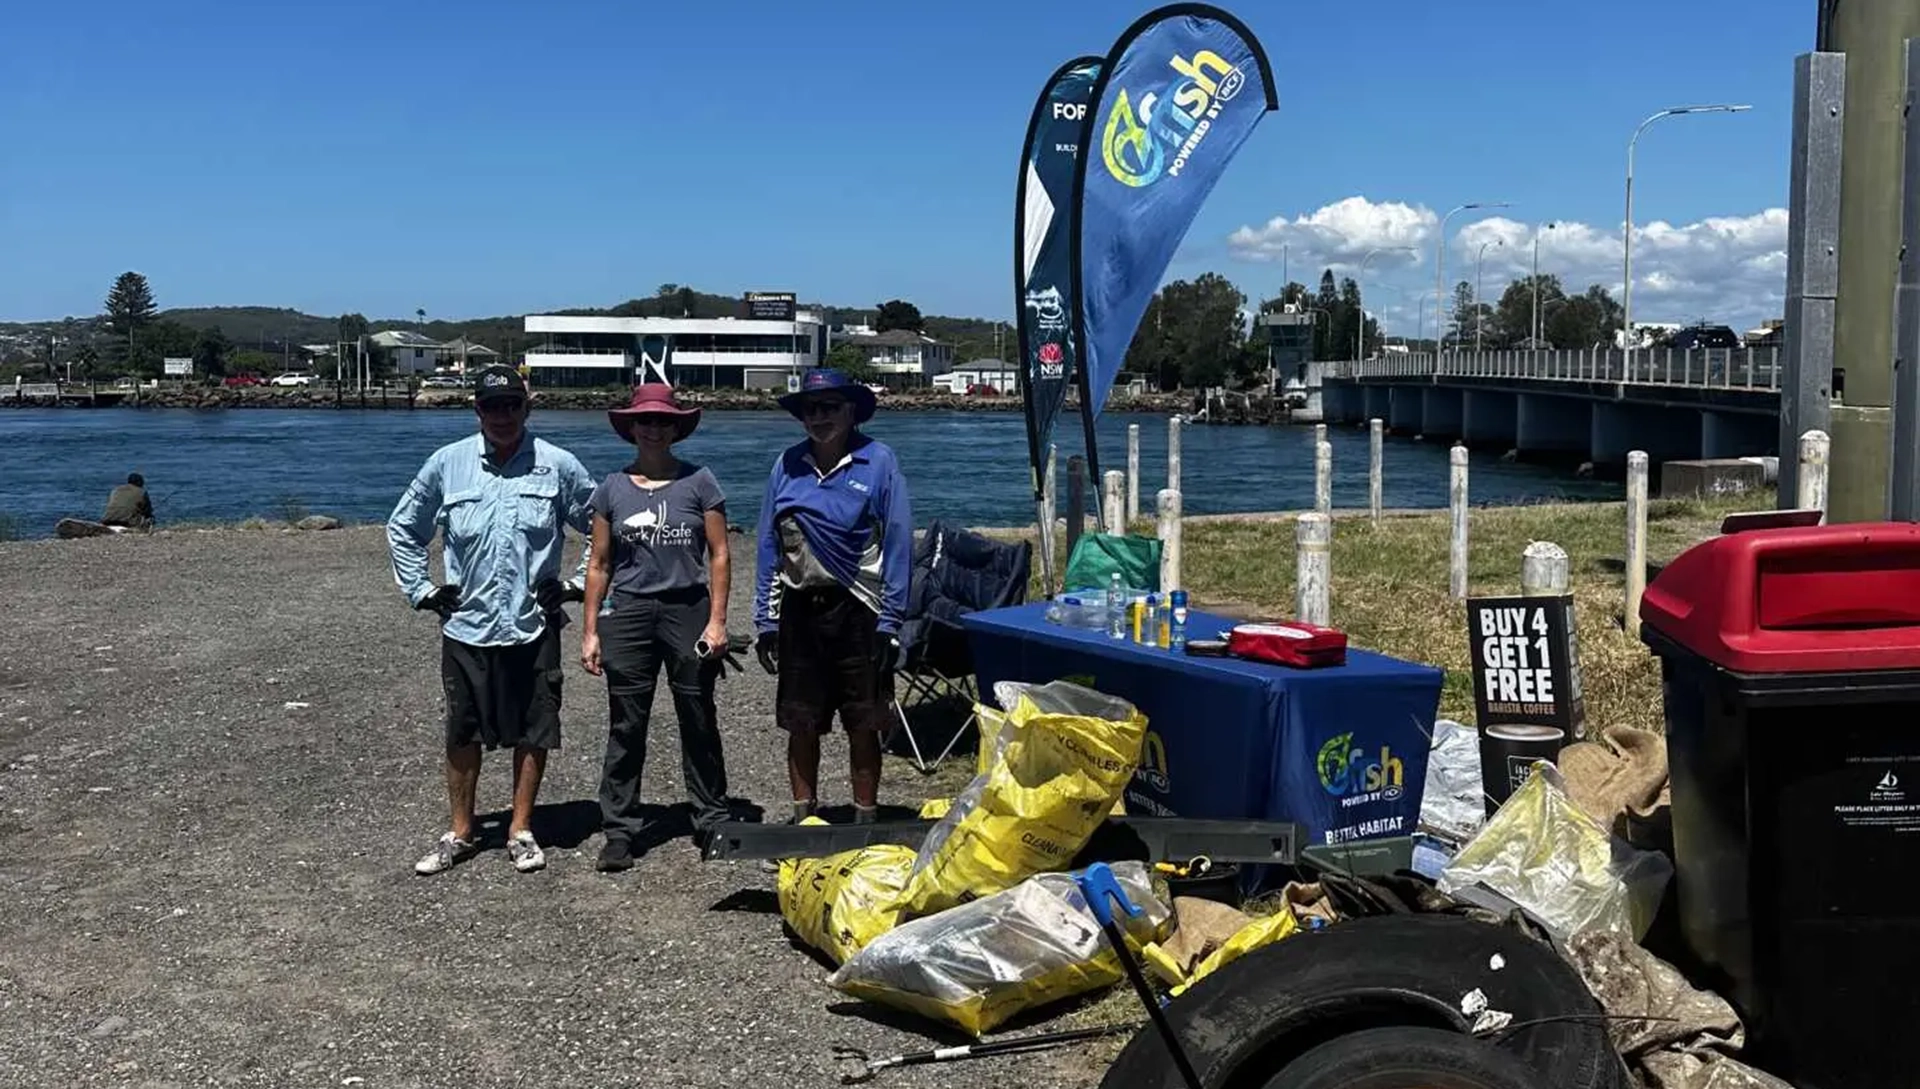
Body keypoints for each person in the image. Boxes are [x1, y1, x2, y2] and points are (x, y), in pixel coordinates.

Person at [386, 365, 595, 876]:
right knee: (463, 729)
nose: (502, 416)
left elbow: (601, 528)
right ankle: (461, 829)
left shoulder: (558, 465)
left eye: (512, 405)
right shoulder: (447, 464)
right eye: (491, 406)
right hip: (467, 623)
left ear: (528, 407)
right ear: (477, 409)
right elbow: (403, 528)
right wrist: (423, 590)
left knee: (535, 726)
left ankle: (520, 829)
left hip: (533, 622)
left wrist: (575, 584)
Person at [578, 384, 733, 872]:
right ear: (632, 428)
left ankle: (711, 818)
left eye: (663, 421)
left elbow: (720, 554)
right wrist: (590, 630)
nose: (653, 428)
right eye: (645, 420)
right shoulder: (611, 489)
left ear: (675, 429)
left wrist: (718, 621)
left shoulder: (701, 482)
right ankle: (621, 828)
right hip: (628, 612)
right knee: (627, 721)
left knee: (698, 714)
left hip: (687, 607)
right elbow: (599, 564)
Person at [752, 368, 913, 826]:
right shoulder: (786, 465)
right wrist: (765, 621)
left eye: (829, 407)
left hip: (861, 608)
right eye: (810, 409)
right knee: (801, 722)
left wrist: (891, 623)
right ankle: (806, 821)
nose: (819, 417)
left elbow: (899, 542)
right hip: (800, 609)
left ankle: (865, 821)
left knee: (864, 723)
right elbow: (768, 545)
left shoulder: (878, 461)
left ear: (851, 412)